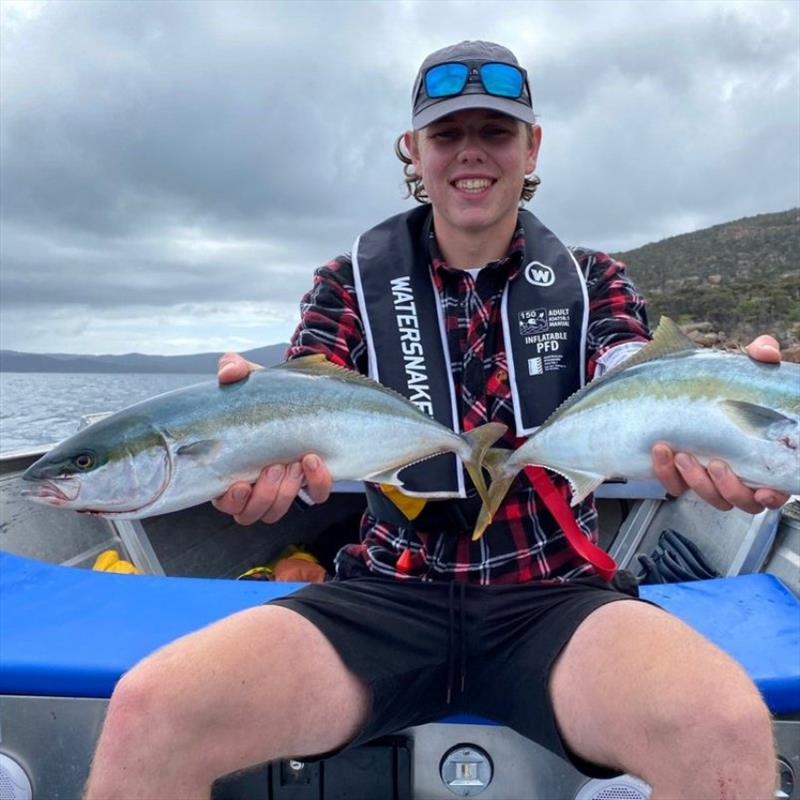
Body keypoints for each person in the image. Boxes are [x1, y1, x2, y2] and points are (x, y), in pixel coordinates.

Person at [85, 41, 788, 799]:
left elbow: (628, 369)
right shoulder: (349, 283)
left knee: (726, 727)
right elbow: (301, 389)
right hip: (384, 595)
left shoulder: (593, 281)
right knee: (149, 710)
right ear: (413, 151)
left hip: (556, 598)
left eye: (496, 131)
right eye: (448, 134)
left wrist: (719, 405)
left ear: (532, 147)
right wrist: (246, 440)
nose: (471, 154)